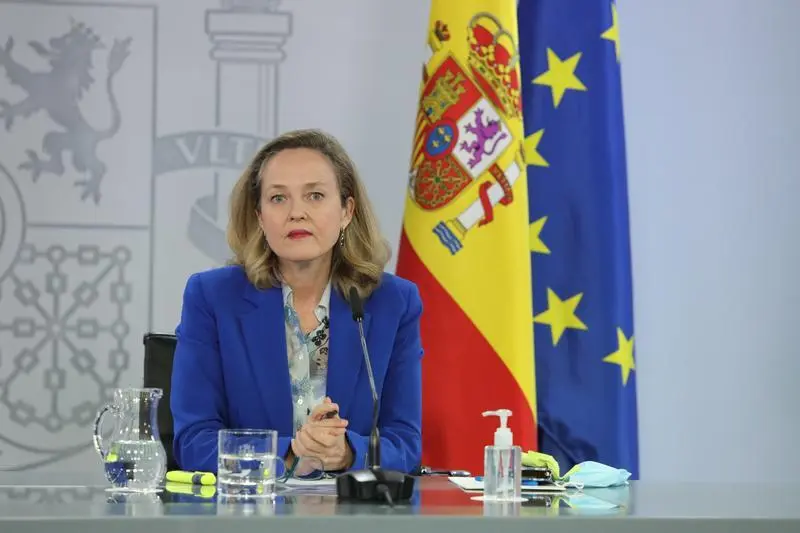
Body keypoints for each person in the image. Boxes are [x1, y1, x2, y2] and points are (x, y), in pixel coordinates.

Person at [170, 129, 423, 475]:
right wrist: (290, 453)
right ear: (259, 216)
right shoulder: (213, 298)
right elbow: (193, 442)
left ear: (346, 210)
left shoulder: (392, 303)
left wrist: (347, 453)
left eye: (315, 195)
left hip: (351, 507)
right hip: (250, 505)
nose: (296, 213)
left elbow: (405, 444)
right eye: (278, 198)